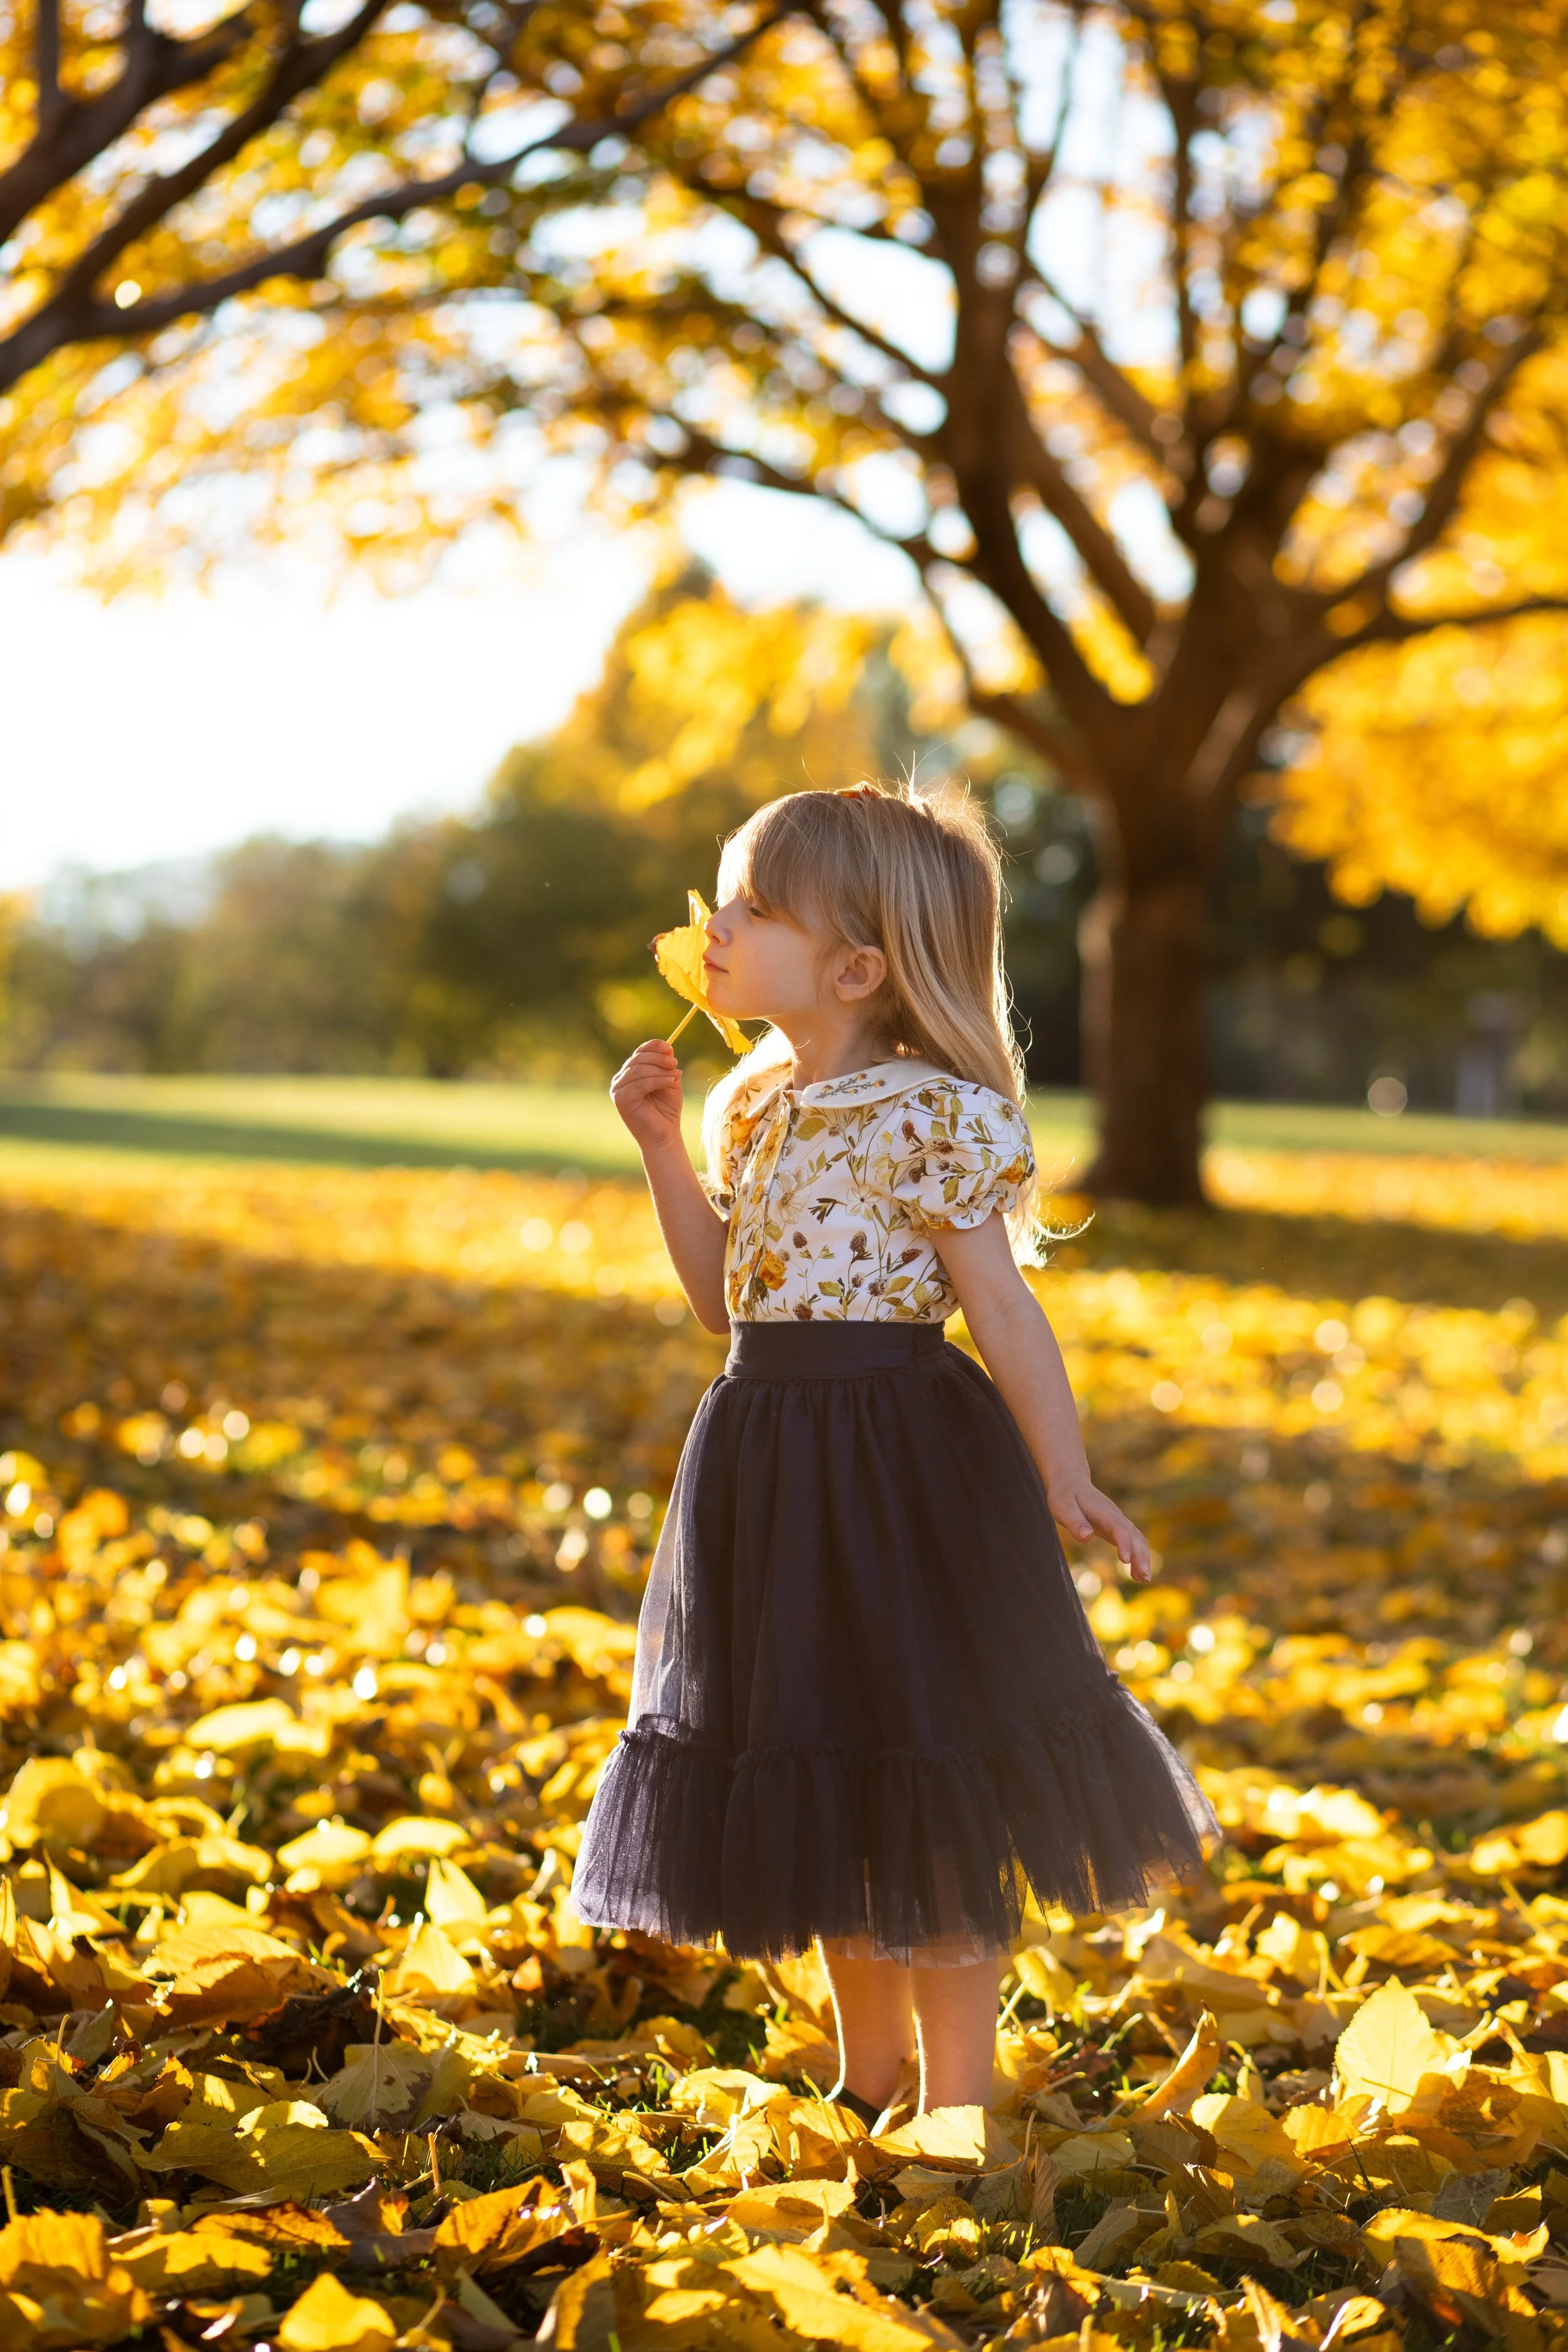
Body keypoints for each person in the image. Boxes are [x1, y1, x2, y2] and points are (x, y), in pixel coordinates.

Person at [573, 783, 1216, 2123]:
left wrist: (1064, 1471)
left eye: (753, 904)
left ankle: (956, 2104)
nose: (718, 923)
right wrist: (657, 1151)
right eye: (723, 896)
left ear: (856, 967)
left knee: (920, 1768)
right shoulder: (751, 1109)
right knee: (813, 1773)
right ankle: (870, 2082)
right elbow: (719, 1301)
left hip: (899, 1469)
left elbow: (1000, 1309)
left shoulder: (929, 1115)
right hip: (761, 1462)